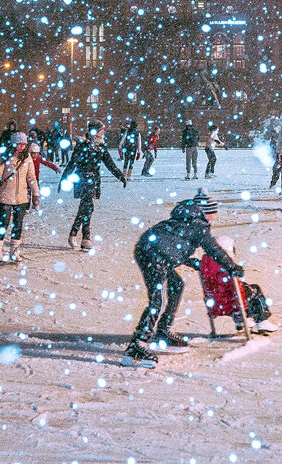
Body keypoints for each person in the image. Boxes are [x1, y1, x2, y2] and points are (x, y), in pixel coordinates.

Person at [122, 193, 243, 368]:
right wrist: (232, 267)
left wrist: (189, 261)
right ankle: (137, 346)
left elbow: (172, 243)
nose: (215, 216)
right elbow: (214, 250)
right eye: (214, 212)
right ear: (207, 212)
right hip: (155, 257)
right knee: (159, 301)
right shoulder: (199, 226)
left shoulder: (186, 218)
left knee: (176, 285)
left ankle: (163, 329)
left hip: (150, 249)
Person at [60, 120, 126, 251]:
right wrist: (63, 179)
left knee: (87, 208)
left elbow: (109, 163)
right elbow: (72, 163)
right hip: (83, 179)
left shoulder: (101, 146)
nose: (103, 132)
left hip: (94, 180)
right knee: (87, 206)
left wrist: (120, 176)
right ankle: (78, 236)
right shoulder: (82, 145)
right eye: (101, 129)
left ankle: (82, 238)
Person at [199, 235, 278, 335]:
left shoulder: (205, 265)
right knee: (254, 290)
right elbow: (237, 292)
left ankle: (244, 320)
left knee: (244, 287)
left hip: (215, 304)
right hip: (229, 304)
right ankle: (261, 320)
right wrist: (240, 312)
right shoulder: (227, 269)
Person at [0, 132, 40, 264]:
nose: (22, 147)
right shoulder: (4, 157)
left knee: (18, 225)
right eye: (19, 144)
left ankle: (14, 250)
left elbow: (31, 178)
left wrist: (36, 195)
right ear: (13, 144)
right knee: (3, 224)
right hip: (5, 197)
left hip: (21, 198)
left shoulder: (27, 158)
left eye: (24, 144)